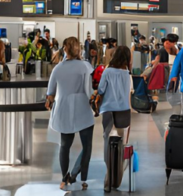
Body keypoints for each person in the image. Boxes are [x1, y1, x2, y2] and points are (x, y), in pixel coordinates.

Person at [45, 37, 95, 190]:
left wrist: (50, 102)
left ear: (65, 49)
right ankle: (81, 178)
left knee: (64, 146)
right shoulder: (86, 67)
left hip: (64, 109)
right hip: (84, 110)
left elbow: (50, 93)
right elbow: (91, 89)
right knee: (87, 146)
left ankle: (64, 177)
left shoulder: (58, 69)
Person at [96, 46, 132, 192]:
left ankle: (108, 176)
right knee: (120, 144)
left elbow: (101, 90)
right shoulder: (127, 73)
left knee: (107, 143)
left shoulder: (108, 71)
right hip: (123, 111)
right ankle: (116, 178)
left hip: (108, 111)